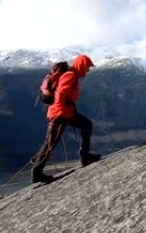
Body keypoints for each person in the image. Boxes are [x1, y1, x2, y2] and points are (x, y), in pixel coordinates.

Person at [31, 54, 101, 183]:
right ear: (81, 65)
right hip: (60, 114)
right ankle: (37, 173)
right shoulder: (70, 75)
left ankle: (85, 157)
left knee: (86, 125)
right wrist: (60, 113)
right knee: (50, 144)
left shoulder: (72, 75)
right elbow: (61, 93)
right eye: (87, 67)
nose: (88, 70)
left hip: (66, 113)